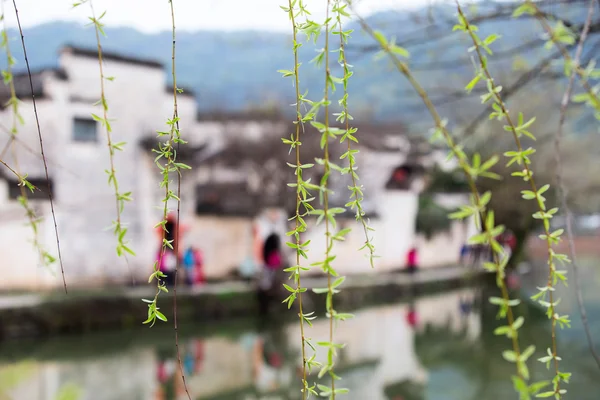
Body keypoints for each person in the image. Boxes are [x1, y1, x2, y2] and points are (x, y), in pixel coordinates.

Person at [257, 233, 284, 317]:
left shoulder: (266, 254)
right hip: (270, 286)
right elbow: (278, 269)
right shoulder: (274, 256)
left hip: (265, 285)